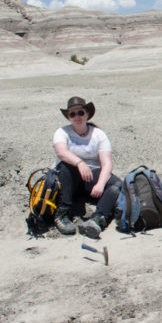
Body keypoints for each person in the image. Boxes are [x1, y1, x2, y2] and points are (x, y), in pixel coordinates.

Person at [53, 97, 121, 239]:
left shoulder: (98, 134)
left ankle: (97, 219)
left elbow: (106, 163)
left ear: (87, 114)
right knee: (65, 166)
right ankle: (62, 213)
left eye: (80, 112)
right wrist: (80, 163)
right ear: (68, 117)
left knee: (116, 184)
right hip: (69, 180)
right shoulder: (62, 132)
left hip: (91, 177)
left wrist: (101, 184)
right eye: (72, 114)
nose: (77, 117)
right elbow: (61, 152)